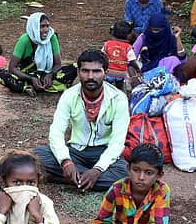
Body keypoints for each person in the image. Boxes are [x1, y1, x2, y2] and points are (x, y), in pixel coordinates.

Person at [34, 49, 129, 193]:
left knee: (124, 174)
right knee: (38, 156)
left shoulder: (118, 98)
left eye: (96, 71)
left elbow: (117, 142)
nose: (90, 76)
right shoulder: (69, 95)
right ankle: (83, 178)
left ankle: (73, 178)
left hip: (104, 152)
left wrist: (97, 170)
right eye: (85, 71)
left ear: (106, 73)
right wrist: (66, 162)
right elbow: (56, 132)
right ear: (78, 72)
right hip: (76, 152)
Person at [0, 12, 76, 96]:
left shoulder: (52, 37)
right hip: (28, 74)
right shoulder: (24, 40)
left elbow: (58, 64)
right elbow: (12, 68)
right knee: (2, 76)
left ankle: (35, 85)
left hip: (46, 73)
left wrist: (50, 75)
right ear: (34, 27)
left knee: (75, 67)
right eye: (42, 26)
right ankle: (28, 86)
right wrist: (31, 78)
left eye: (47, 26)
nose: (46, 30)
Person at [102, 20, 142, 90]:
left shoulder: (107, 44)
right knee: (120, 88)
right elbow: (132, 61)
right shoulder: (128, 48)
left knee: (106, 87)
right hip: (121, 73)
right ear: (128, 35)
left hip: (109, 72)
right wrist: (138, 69)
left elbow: (101, 56)